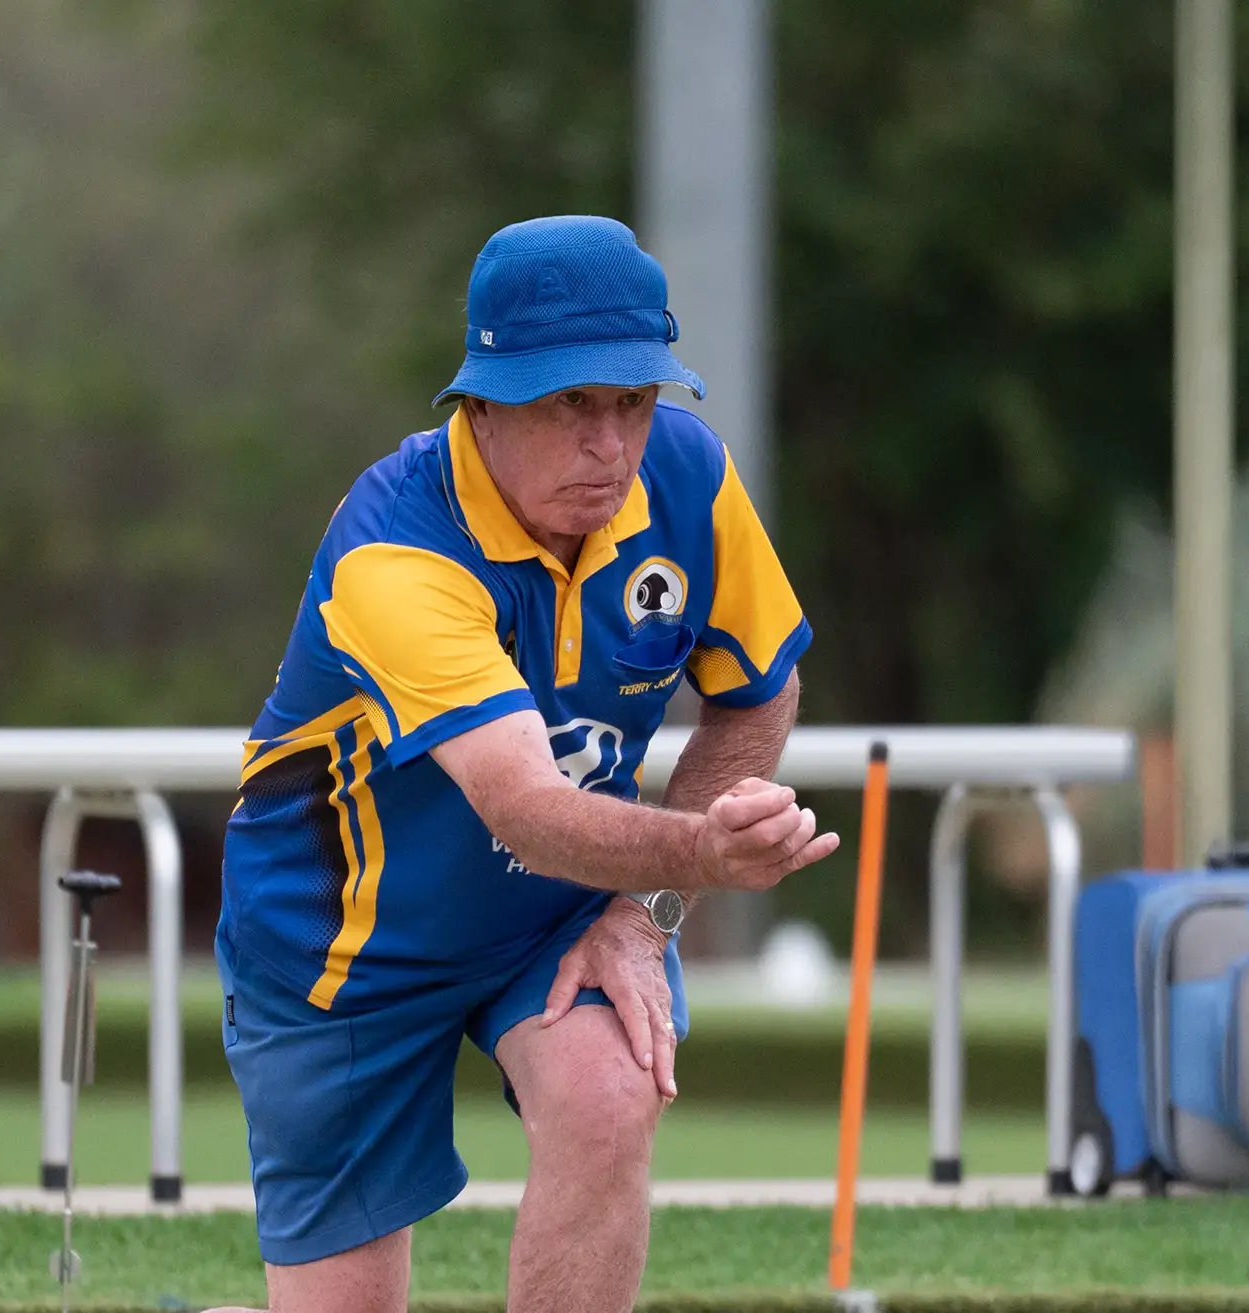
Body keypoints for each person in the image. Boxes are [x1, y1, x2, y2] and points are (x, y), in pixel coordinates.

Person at [212, 215, 834, 1313]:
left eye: (633, 404)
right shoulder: (395, 549)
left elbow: (760, 686)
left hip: (551, 919)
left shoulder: (688, 479)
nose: (610, 445)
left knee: (610, 1093)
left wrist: (646, 910)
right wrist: (700, 848)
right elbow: (524, 805)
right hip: (341, 938)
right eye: (569, 405)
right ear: (482, 402)